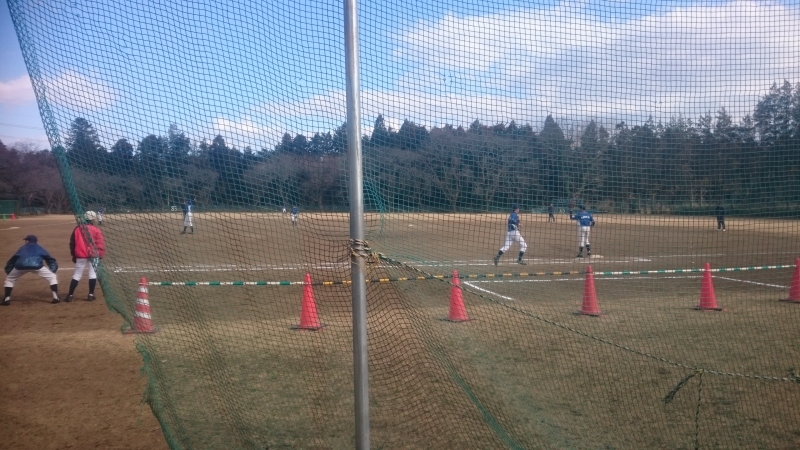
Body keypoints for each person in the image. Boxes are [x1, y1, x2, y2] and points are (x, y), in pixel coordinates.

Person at [3, 235, 60, 305]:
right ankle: (55, 297)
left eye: (25, 240)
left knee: (9, 279)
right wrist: (52, 270)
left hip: (20, 266)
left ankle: (6, 299)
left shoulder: (22, 248)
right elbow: (49, 258)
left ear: (27, 241)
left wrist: (9, 271)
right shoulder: (39, 248)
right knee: (52, 277)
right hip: (36, 266)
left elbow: (13, 259)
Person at [65, 211, 105, 302]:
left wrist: (74, 255)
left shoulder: (77, 229)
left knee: (77, 275)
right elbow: (100, 244)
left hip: (80, 255)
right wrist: (100, 255)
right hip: (93, 255)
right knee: (92, 274)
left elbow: (72, 243)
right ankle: (91, 295)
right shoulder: (96, 230)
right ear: (93, 219)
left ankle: (70, 295)